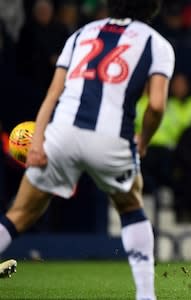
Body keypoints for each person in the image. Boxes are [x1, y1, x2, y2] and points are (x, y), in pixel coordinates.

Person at [0, 1, 174, 300]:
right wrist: (143, 139)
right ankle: (146, 295)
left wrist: (38, 142)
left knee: (19, 213)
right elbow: (156, 105)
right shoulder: (157, 43)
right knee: (131, 207)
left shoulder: (81, 33)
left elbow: (53, 93)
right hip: (111, 139)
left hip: (62, 133)